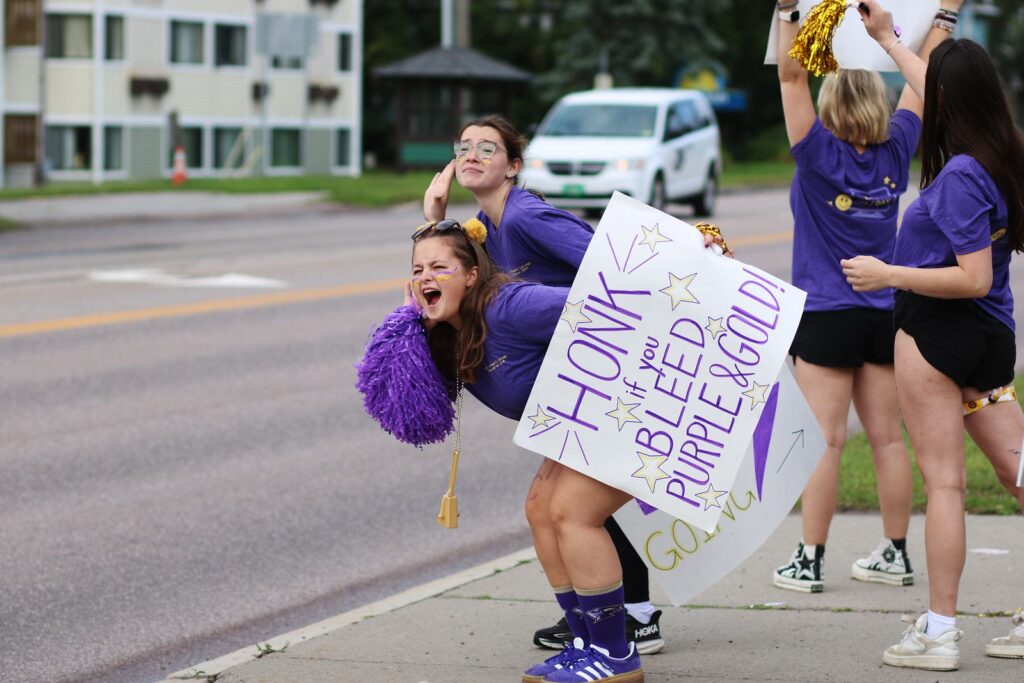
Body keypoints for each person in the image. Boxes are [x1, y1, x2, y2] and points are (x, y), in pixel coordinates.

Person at [400, 219, 725, 682]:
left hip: (639, 408)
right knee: (540, 508)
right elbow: (411, 407)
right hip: (589, 423)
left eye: (439, 267)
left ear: (472, 275)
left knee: (573, 514)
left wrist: (690, 254)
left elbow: (622, 298)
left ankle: (616, 655)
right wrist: (406, 324)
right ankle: (585, 644)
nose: (425, 277)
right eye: (417, 270)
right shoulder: (449, 332)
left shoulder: (510, 307)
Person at [423, 115, 671, 654]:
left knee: (575, 510)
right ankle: (600, 611)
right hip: (570, 379)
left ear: (513, 166)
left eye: (486, 148)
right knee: (553, 506)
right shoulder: (488, 227)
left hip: (606, 370)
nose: (470, 154)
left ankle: (634, 615)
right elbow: (445, 274)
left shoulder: (525, 214)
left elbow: (610, 263)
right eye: (462, 146)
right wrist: (435, 218)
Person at [842, 0, 1024, 670]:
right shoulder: (1002, 153)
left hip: (938, 336)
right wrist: (890, 38)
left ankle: (941, 631)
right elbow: (933, 80)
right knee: (1018, 471)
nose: (917, 95)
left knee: (945, 485)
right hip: (991, 342)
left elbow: (971, 276)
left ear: (948, 99)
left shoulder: (956, 178)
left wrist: (887, 271)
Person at [770, 0, 958, 593]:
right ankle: (896, 553)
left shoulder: (815, 153)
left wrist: (788, 9)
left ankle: (810, 560)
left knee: (824, 442)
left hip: (825, 316)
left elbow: (791, 73)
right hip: (884, 313)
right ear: (877, 103)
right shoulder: (896, 150)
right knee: (885, 439)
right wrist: (943, 18)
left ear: (829, 107)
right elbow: (923, 84)